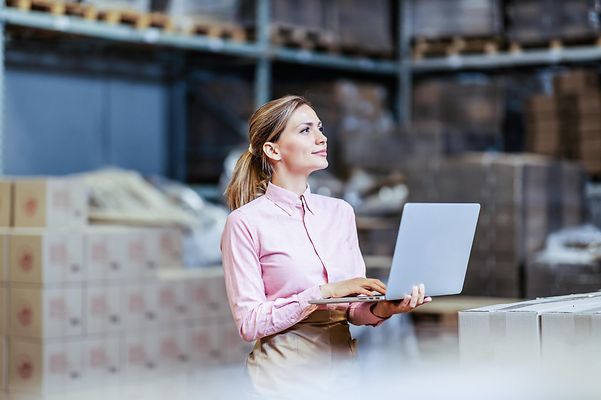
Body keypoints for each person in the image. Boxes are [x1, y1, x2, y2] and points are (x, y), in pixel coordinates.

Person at [220, 95, 432, 396]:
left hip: (345, 380)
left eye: (320, 128)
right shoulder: (245, 223)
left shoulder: (340, 212)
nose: (322, 138)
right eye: (306, 130)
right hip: (282, 384)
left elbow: (354, 310)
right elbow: (250, 323)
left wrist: (384, 307)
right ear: (273, 149)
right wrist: (323, 293)